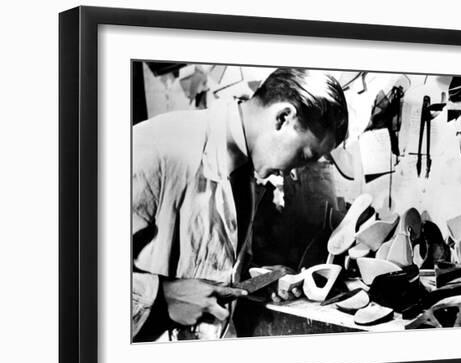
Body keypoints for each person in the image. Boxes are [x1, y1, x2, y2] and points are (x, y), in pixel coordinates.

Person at [132, 67, 348, 341]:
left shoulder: (246, 171)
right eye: (304, 155)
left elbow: (202, 262)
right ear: (283, 118)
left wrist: (253, 281)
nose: (295, 173)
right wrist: (164, 297)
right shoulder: (154, 147)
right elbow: (75, 277)